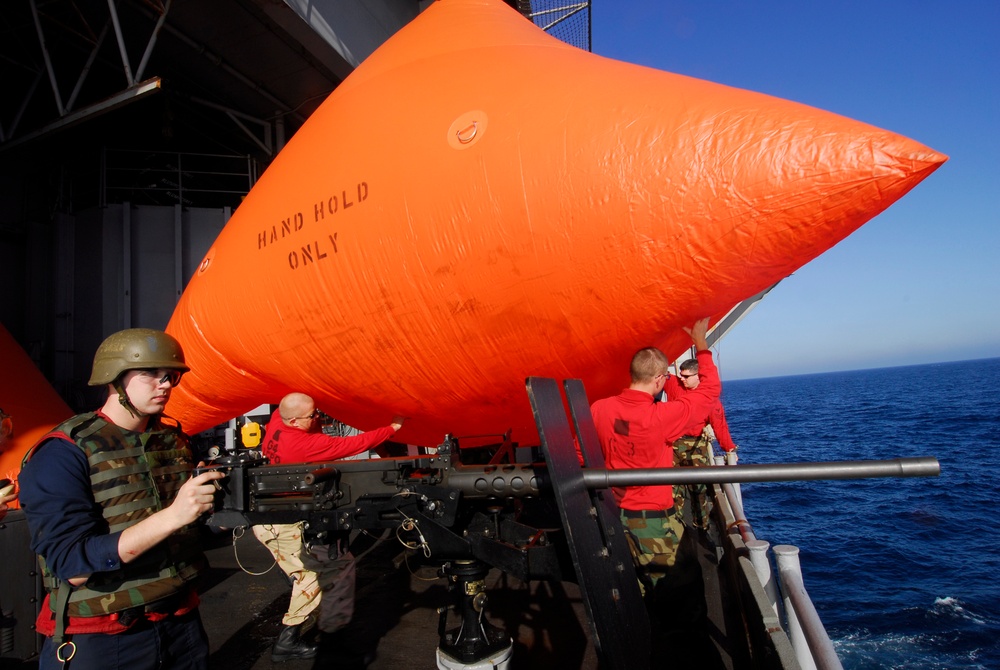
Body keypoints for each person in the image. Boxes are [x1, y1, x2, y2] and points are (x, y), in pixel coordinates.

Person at [17, 328, 225, 670]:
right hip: (103, 636)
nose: (165, 385)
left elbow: (188, 534)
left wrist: (223, 513)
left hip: (180, 623)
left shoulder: (173, 442)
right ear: (114, 377)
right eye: (150, 374)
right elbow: (71, 564)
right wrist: (175, 515)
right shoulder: (64, 452)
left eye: (170, 376)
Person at [253, 392, 404, 663]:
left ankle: (322, 622)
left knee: (332, 565)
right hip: (280, 525)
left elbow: (290, 404)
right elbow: (355, 443)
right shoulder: (304, 445)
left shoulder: (278, 422)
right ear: (295, 421)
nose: (318, 418)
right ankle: (288, 641)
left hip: (272, 517)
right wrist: (392, 427)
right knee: (312, 577)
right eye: (312, 416)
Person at [589, 318, 720, 598]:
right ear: (660, 379)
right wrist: (701, 344)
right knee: (679, 595)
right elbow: (709, 392)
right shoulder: (661, 417)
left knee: (631, 590)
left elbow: (580, 452)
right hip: (652, 521)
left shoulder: (599, 409)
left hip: (612, 515)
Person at [665, 357, 739, 527]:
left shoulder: (709, 400)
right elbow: (658, 372)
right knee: (672, 487)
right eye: (680, 375)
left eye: (686, 376)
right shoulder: (675, 384)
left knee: (698, 488)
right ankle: (676, 526)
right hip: (673, 445)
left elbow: (720, 426)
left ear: (698, 376)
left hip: (696, 446)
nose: (682, 379)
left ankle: (701, 526)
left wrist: (729, 449)